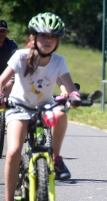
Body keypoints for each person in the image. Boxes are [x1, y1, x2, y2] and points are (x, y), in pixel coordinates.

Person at [0, 12, 81, 201]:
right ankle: (9, 198)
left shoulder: (58, 61)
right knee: (13, 152)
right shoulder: (20, 57)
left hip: (45, 107)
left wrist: (74, 97)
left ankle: (56, 158)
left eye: (53, 36)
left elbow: (70, 87)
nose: (48, 40)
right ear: (33, 37)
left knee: (61, 113)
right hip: (18, 107)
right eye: (44, 35)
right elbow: (2, 80)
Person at [0, 20, 18, 97]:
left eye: (4, 31)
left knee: (10, 83)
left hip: (7, 76)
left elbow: (18, 62)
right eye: (0, 31)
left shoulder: (12, 45)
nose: (2, 34)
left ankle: (5, 101)